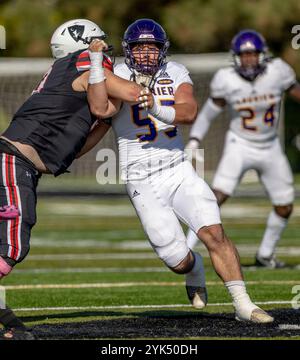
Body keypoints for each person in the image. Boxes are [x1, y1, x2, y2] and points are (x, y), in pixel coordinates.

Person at [86, 19, 274, 323]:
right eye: (140, 47)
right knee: (176, 260)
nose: (146, 53)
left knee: (214, 232)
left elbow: (188, 110)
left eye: (152, 47)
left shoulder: (175, 72)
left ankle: (243, 305)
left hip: (177, 168)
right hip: (140, 177)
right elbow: (100, 109)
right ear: (128, 50)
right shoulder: (116, 74)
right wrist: (96, 62)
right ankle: (195, 268)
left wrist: (157, 107)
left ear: (163, 50)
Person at [0, 18, 143, 339]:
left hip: (15, 162)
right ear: (85, 46)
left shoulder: (69, 77)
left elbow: (72, 150)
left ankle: (9, 323)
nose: (106, 49)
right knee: (11, 246)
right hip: (11, 161)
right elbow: (124, 96)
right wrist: (154, 93)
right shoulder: (83, 63)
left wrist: (105, 124)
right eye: (100, 43)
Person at [185, 29, 300, 268]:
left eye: (253, 54)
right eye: (244, 55)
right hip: (240, 144)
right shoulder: (226, 79)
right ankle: (185, 250)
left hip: (270, 146)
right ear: (236, 57)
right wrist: (195, 138)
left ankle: (265, 255)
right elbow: (209, 111)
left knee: (285, 204)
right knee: (217, 196)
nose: (249, 59)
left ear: (262, 55)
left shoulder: (278, 71)